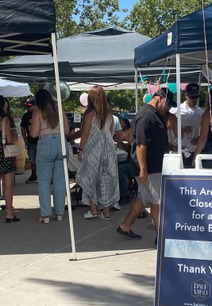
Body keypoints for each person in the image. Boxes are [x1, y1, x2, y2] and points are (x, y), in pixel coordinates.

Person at [116, 88, 175, 240]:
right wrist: (143, 169)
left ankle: (126, 226)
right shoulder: (146, 115)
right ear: (161, 99)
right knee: (157, 201)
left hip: (153, 165)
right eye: (169, 104)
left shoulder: (154, 114)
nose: (168, 108)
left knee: (143, 197)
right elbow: (140, 144)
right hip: (150, 166)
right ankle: (161, 237)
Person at [75, 85, 119, 220]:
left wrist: (81, 150)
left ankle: (93, 209)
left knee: (90, 178)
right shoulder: (110, 115)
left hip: (93, 149)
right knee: (105, 179)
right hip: (109, 149)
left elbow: (86, 133)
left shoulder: (89, 114)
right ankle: (106, 212)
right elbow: (111, 133)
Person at [29, 89, 70, 223]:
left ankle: (45, 215)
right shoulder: (60, 111)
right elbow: (67, 131)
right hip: (61, 144)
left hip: (46, 144)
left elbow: (34, 134)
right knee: (59, 181)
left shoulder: (37, 112)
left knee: (44, 182)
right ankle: (59, 213)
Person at [170, 83, 204, 167]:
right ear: (186, 96)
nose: (195, 99)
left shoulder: (201, 113)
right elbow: (168, 128)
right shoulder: (176, 111)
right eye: (192, 97)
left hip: (195, 151)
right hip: (180, 151)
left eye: (197, 96)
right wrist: (180, 129)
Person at [115, 117, 136, 205]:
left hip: (136, 164)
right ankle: (117, 192)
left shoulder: (135, 133)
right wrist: (121, 143)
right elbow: (129, 149)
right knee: (116, 165)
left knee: (120, 169)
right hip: (130, 160)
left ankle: (124, 195)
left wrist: (129, 140)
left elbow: (136, 147)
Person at [21, 97, 39, 183]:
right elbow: (23, 128)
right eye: (27, 106)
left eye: (30, 106)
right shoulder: (26, 116)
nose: (28, 108)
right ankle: (34, 174)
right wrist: (25, 139)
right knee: (32, 159)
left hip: (41, 140)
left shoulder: (40, 113)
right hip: (31, 141)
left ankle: (42, 174)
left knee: (41, 158)